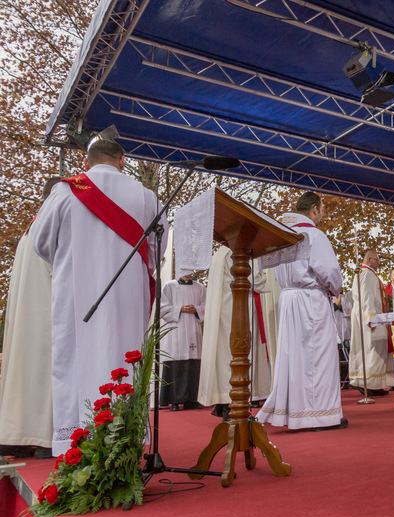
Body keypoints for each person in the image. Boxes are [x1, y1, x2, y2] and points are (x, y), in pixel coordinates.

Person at [31, 139, 165, 455]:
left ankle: (78, 445)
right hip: (127, 296)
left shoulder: (65, 191)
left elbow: (40, 242)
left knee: (74, 361)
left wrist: (69, 260)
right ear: (122, 160)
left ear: (86, 162)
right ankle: (125, 443)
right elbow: (156, 250)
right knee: (125, 359)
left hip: (76, 295)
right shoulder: (146, 196)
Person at [256, 192, 346, 430]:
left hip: (288, 299)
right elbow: (329, 272)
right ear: (315, 209)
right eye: (322, 209)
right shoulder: (314, 235)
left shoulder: (283, 235)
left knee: (294, 358)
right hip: (310, 300)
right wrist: (336, 289)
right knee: (318, 358)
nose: (322, 214)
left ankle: (294, 412)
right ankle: (319, 416)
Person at [0, 178, 60, 458]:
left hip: (28, 315)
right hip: (45, 313)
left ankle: (18, 435)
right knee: (44, 372)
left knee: (25, 373)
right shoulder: (51, 227)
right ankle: (45, 437)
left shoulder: (32, 226)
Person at [198, 246, 271, 420]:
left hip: (224, 310)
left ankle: (224, 403)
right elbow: (255, 279)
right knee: (238, 355)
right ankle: (232, 406)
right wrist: (268, 276)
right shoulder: (239, 249)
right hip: (238, 310)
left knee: (224, 356)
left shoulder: (220, 252)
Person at [349, 250, 394, 396]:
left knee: (374, 349)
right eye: (376, 259)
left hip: (369, 315)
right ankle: (368, 383)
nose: (379, 262)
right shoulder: (366, 273)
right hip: (369, 316)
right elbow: (367, 296)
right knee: (372, 349)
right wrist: (370, 318)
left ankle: (374, 384)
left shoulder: (365, 273)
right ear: (369, 259)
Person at [159, 274, 206, 411]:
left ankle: (192, 400)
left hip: (193, 328)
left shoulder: (200, 287)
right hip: (176, 329)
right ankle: (174, 401)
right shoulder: (169, 286)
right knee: (176, 364)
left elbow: (207, 305)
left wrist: (197, 309)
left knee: (193, 364)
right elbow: (162, 307)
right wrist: (179, 308)